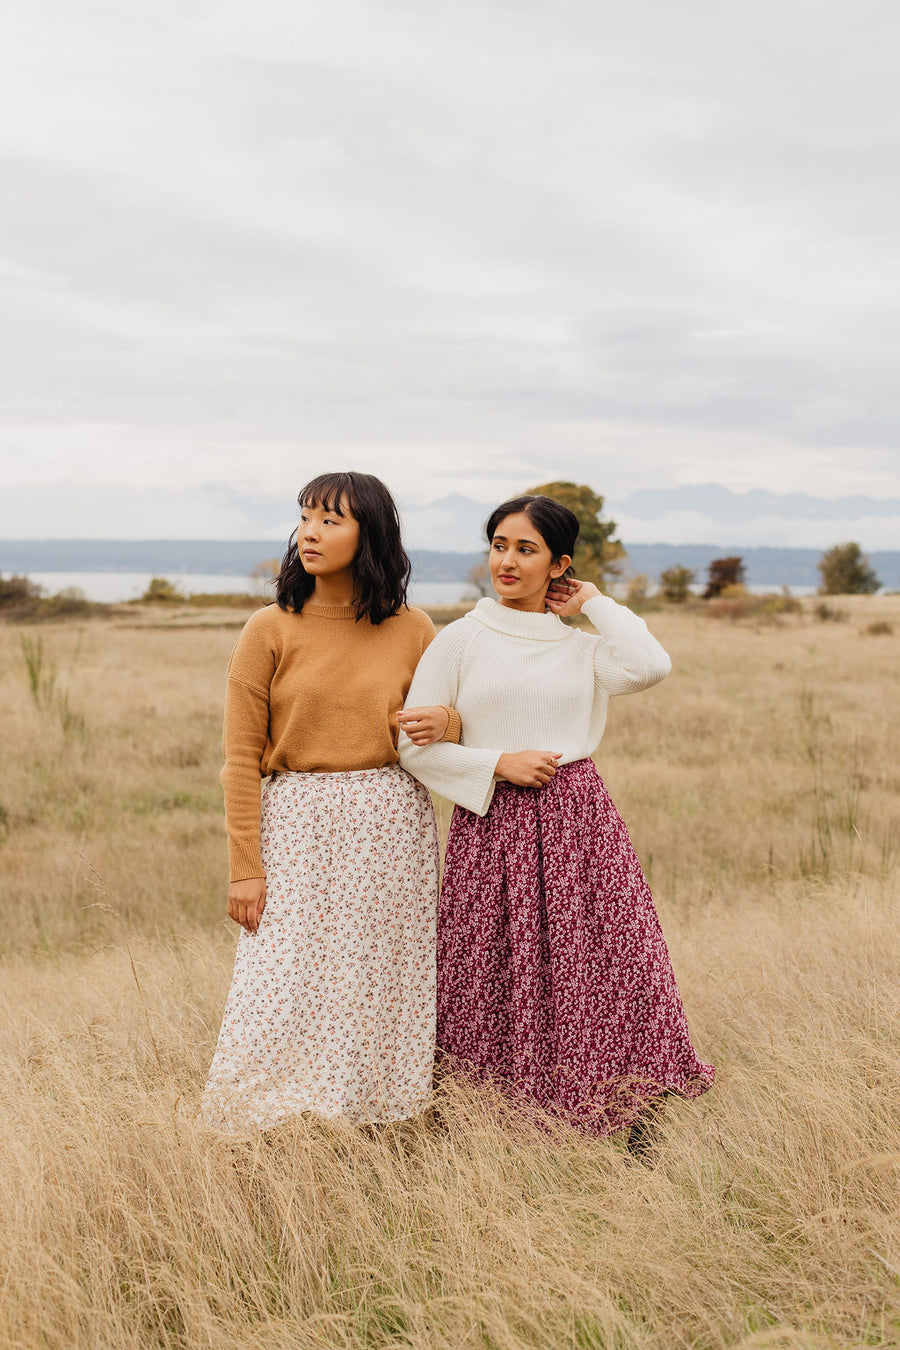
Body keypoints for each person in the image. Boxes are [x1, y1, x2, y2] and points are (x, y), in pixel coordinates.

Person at [398, 493, 714, 1141]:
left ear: (558, 564)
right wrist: (495, 764)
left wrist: (592, 602)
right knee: (491, 967)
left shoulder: (583, 649)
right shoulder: (458, 640)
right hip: (493, 823)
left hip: (579, 819)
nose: (506, 561)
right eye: (498, 545)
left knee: (609, 960)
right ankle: (488, 1119)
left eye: (526, 549)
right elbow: (412, 744)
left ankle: (624, 1110)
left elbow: (652, 664)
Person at [201, 471, 460, 1132]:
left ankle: (380, 1119)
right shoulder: (269, 628)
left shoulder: (415, 628)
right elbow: (238, 758)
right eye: (306, 516)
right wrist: (245, 866)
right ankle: (261, 1123)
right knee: (280, 979)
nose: (310, 532)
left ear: (368, 534)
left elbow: (448, 725)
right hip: (298, 821)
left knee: (381, 978)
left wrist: (450, 727)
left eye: (331, 519)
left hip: (392, 823)